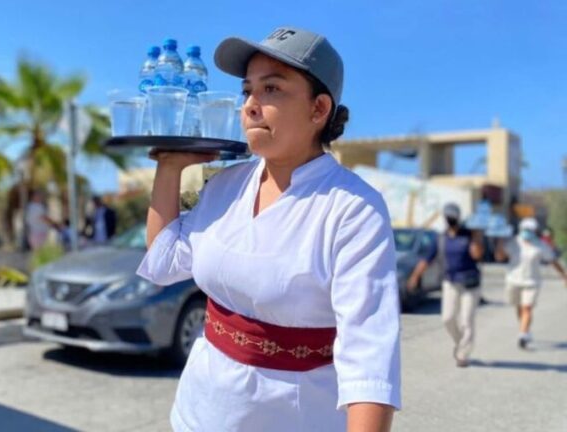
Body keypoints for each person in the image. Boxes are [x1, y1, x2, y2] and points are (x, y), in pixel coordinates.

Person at [137, 27, 400, 431]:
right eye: (247, 91)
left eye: (272, 89)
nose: (250, 106)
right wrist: (170, 165)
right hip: (198, 414)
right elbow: (165, 259)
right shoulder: (225, 185)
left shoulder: (353, 209)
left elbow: (369, 360)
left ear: (319, 109)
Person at [407, 203, 484, 368]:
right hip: (450, 282)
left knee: (466, 321)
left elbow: (477, 255)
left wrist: (476, 238)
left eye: (452, 216)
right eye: (448, 216)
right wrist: (415, 276)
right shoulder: (441, 238)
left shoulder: (468, 235)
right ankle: (460, 342)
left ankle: (463, 355)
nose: (450, 220)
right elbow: (427, 259)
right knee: (447, 318)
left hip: (470, 284)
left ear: (458, 217)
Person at [494, 218, 567, 348]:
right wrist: (499, 243)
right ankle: (525, 329)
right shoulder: (513, 242)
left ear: (535, 231)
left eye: (530, 230)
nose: (527, 232)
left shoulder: (540, 245)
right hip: (513, 280)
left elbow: (552, 260)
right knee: (519, 307)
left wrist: (563, 274)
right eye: (525, 230)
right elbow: (500, 257)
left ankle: (523, 333)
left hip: (532, 282)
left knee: (527, 307)